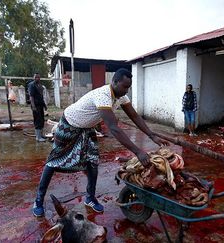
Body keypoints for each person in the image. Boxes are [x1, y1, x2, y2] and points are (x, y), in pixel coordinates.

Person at [32, 68, 169, 217]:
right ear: (114, 82)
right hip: (69, 124)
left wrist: (151, 135)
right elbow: (113, 128)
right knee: (53, 161)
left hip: (87, 128)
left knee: (92, 162)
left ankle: (89, 198)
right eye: (124, 86)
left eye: (128, 87)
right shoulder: (103, 95)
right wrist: (137, 151)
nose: (126, 91)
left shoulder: (121, 96)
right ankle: (38, 200)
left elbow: (135, 116)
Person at [28, 73, 47, 142]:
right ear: (33, 77)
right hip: (35, 106)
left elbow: (41, 97)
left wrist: (44, 105)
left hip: (40, 105)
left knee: (42, 120)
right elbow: (31, 97)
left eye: (38, 77)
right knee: (37, 120)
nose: (37, 78)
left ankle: (41, 135)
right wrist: (33, 106)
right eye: (36, 77)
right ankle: (38, 137)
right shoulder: (32, 85)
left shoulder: (39, 85)